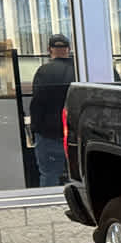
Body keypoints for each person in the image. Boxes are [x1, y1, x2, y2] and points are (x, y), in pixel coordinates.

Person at [29, 34, 74, 186]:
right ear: (68, 49)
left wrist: (35, 129)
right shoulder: (83, 69)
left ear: (49, 50)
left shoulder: (44, 71)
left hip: (50, 135)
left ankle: (50, 207)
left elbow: (37, 103)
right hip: (78, 134)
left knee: (49, 175)